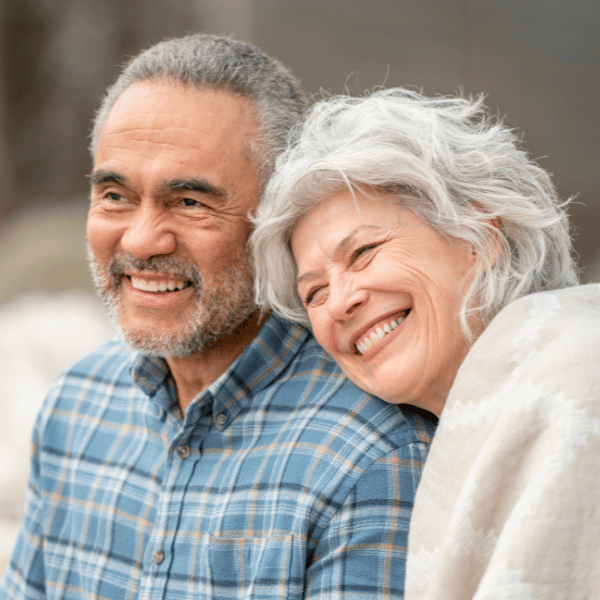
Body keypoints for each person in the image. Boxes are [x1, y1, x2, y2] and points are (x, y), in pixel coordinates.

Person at [0, 36, 437, 600]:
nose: (140, 239)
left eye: (190, 202)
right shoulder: (75, 405)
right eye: (115, 195)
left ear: (279, 219)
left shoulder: (373, 455)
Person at [251, 88, 600, 598]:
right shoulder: (490, 408)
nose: (340, 302)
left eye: (364, 252)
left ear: (480, 235)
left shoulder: (577, 382)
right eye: (314, 292)